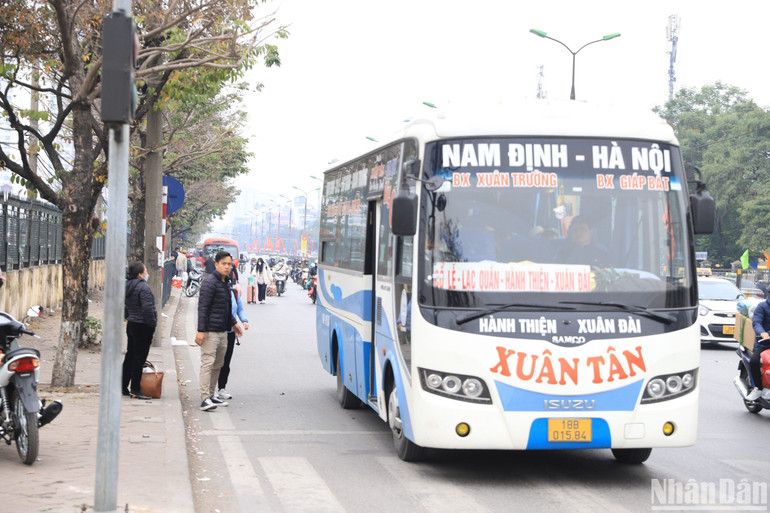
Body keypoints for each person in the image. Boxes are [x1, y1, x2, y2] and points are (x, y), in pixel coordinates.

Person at [196, 251, 243, 411]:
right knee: (208, 364)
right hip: (211, 331)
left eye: (229, 264)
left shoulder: (226, 282)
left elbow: (226, 307)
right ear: (216, 264)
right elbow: (203, 308)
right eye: (224, 263)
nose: (227, 267)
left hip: (224, 331)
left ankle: (211, 395)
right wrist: (201, 331)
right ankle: (204, 398)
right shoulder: (210, 283)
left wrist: (234, 323)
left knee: (218, 365)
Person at [122, 262, 157, 400]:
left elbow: (125, 306)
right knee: (139, 358)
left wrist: (129, 316)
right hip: (143, 325)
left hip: (132, 323)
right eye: (145, 271)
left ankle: (123, 385)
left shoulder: (127, 286)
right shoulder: (143, 287)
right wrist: (152, 324)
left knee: (130, 355)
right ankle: (136, 389)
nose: (147, 273)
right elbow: (148, 308)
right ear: (140, 274)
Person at [217, 283, 249, 400]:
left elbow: (240, 309)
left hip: (230, 332)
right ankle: (209, 390)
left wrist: (244, 321)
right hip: (216, 332)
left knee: (226, 362)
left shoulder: (234, 293)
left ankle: (221, 388)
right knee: (214, 361)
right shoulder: (216, 292)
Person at [748, 292, 770, 401]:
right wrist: (762, 332)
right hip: (764, 343)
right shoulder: (762, 306)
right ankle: (758, 388)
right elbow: (756, 322)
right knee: (754, 360)